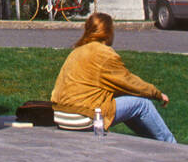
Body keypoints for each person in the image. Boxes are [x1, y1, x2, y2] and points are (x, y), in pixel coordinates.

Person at [51, 12, 176, 144]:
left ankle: (154, 143)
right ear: (108, 32)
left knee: (128, 104)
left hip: (61, 116)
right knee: (142, 104)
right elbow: (130, 83)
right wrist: (157, 94)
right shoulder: (104, 54)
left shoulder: (76, 52)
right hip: (84, 117)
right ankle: (172, 147)